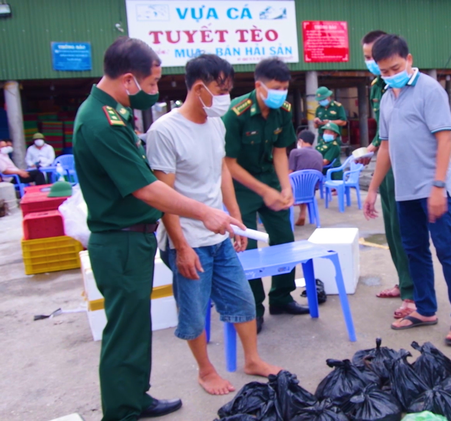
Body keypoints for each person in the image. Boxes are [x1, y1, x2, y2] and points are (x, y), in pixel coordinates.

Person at [73, 37, 244, 421]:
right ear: (129, 79)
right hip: (119, 241)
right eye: (151, 84)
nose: (154, 91)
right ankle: (121, 412)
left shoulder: (111, 114)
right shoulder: (102, 123)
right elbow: (149, 188)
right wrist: (204, 212)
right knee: (124, 332)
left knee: (135, 327)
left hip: (131, 239)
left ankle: (135, 396)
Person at [146, 54, 281, 396]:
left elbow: (221, 169)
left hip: (218, 232)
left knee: (242, 301)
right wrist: (182, 247)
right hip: (187, 238)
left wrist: (233, 215)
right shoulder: (165, 131)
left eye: (229, 89)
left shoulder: (216, 123)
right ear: (198, 87)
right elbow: (164, 195)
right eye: (221, 90)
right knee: (194, 312)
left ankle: (252, 360)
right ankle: (205, 371)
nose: (226, 97)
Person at [364, 34, 451, 344]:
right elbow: (385, 147)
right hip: (405, 191)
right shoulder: (386, 97)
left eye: (395, 68)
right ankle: (425, 309)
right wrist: (372, 189)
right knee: (415, 251)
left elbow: (445, 139)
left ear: (409, 60)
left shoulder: (429, 90)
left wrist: (438, 186)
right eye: (383, 71)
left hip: (433, 188)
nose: (390, 75)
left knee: (447, 250)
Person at [223, 57, 309, 324]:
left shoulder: (282, 110)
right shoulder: (235, 114)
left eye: (284, 87)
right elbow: (229, 164)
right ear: (259, 85)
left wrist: (285, 186)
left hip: (270, 179)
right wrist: (264, 191)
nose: (280, 92)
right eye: (275, 87)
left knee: (284, 238)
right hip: (241, 187)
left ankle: (282, 297)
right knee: (246, 247)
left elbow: (280, 151)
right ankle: (254, 309)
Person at [360, 30, 415, 320]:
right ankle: (403, 281)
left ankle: (412, 292)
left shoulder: (407, 85)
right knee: (393, 232)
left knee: (406, 232)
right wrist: (371, 148)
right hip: (387, 165)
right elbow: (385, 134)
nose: (371, 62)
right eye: (367, 57)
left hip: (406, 167)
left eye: (374, 57)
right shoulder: (377, 86)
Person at [288, 129, 323, 226]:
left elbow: (290, 172)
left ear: (301, 141)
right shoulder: (319, 154)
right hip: (311, 191)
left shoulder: (295, 152)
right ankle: (302, 213)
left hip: (295, 190)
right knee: (303, 185)